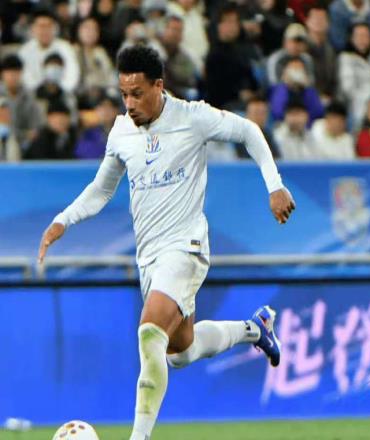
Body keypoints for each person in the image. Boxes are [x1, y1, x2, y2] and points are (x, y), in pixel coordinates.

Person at [37, 45, 295, 440]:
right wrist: (63, 220)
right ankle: (255, 329)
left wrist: (274, 185)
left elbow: (248, 131)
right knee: (180, 352)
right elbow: (102, 189)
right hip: (149, 258)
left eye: (137, 94)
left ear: (159, 86)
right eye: (124, 94)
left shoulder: (193, 117)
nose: (129, 104)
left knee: (149, 333)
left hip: (185, 247)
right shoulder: (121, 131)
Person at [19, 8, 80, 93]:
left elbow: (72, 73)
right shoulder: (25, 51)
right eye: (41, 26)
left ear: (55, 28)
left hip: (62, 93)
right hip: (34, 94)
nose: (45, 30)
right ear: (33, 29)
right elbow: (25, 77)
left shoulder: (65, 47)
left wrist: (60, 91)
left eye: (49, 26)